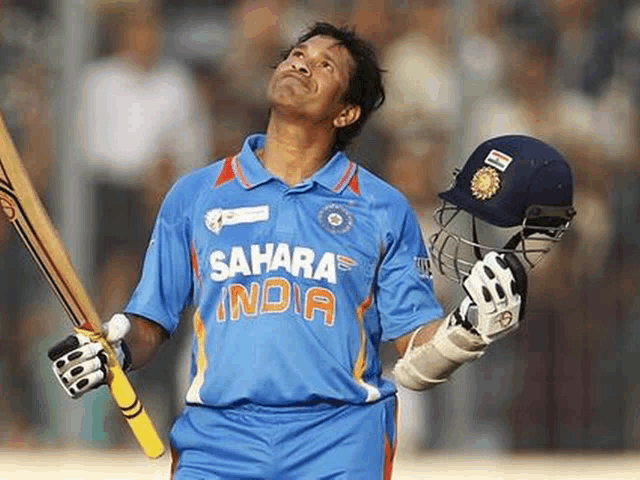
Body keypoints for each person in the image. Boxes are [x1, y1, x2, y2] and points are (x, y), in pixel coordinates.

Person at [47, 23, 570, 479]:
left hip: (340, 440)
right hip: (218, 440)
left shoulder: (382, 208)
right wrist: (113, 351)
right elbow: (149, 324)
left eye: (325, 64)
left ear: (346, 111)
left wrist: (469, 329)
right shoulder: (195, 194)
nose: (302, 62)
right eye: (298, 54)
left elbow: (412, 347)